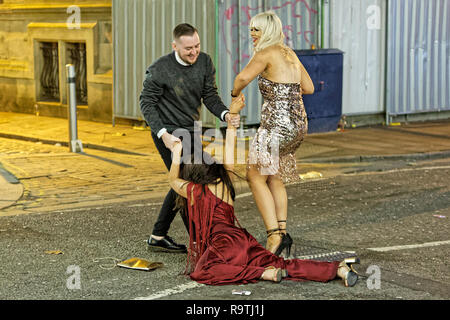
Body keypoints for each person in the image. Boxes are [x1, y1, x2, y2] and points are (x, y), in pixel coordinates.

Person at [167, 96, 359, 287]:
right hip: (243, 241)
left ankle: (263, 273)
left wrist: (176, 153)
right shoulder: (225, 179)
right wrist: (233, 114)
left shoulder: (196, 191)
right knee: (283, 264)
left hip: (223, 246)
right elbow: (230, 146)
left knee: (204, 271)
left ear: (192, 176)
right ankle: (338, 269)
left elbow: (173, 180)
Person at [139, 23, 240, 253]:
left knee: (187, 180)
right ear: (175, 46)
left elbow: (210, 95)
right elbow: (146, 103)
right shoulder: (159, 69)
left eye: (197, 46)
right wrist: (163, 134)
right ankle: (198, 240)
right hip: (169, 133)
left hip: (191, 130)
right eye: (188, 49)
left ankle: (159, 235)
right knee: (188, 180)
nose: (194, 52)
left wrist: (225, 115)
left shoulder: (204, 61)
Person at [230, 11, 314, 256]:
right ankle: (283, 231)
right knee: (273, 175)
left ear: (267, 31)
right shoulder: (289, 53)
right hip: (298, 124)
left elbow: (242, 78)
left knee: (254, 175)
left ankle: (273, 237)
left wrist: (234, 96)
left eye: (257, 29)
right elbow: (307, 87)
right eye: (251, 29)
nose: (252, 34)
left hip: (276, 125)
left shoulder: (265, 53)